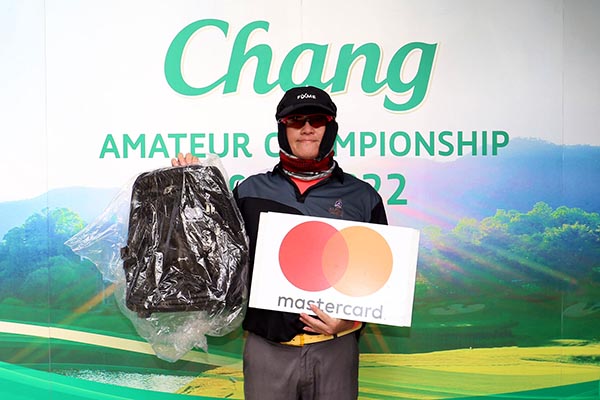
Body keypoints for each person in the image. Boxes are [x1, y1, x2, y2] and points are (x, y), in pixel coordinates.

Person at [172, 86, 388, 400]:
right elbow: (213, 258)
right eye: (296, 120)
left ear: (331, 128)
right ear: (282, 129)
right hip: (267, 349)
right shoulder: (249, 191)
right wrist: (189, 190)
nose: (307, 128)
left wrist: (348, 322)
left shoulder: (362, 196)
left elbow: (377, 278)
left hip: (335, 349)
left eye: (317, 120)